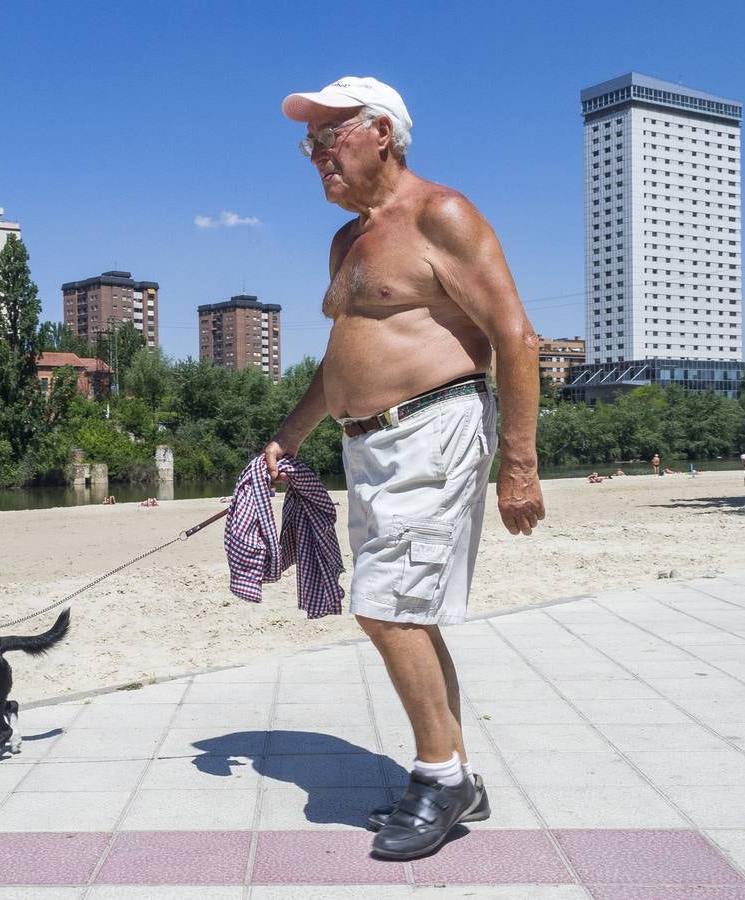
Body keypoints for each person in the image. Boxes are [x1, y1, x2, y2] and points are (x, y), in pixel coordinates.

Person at [264, 76, 544, 861]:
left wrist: (517, 464)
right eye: (308, 142)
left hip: (435, 428)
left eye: (329, 136)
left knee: (384, 606)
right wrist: (287, 437)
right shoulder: (347, 241)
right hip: (368, 445)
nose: (315, 153)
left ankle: (439, 776)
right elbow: (338, 359)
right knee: (404, 610)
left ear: (380, 132)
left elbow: (514, 337)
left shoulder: (440, 214)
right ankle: (455, 770)